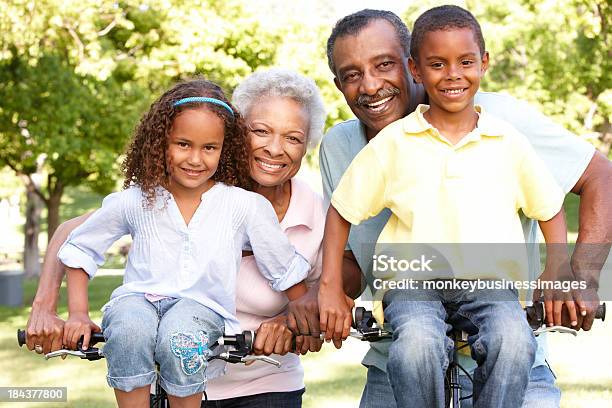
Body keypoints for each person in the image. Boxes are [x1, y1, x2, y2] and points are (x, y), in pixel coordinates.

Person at [310, 8, 611, 408]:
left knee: (509, 339)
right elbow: (347, 241)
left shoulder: (503, 126)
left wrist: (577, 276)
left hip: (503, 330)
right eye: (352, 74)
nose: (370, 85)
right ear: (421, 67)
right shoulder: (343, 146)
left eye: (384, 64)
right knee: (415, 343)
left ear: (407, 64)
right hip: (400, 351)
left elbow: (598, 180)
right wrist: (321, 289)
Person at [25, 69, 327, 408]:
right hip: (163, 379)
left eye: (293, 137)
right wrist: (49, 308)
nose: (275, 148)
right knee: (132, 326)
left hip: (265, 383)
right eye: (261, 131)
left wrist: (301, 318)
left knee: (180, 332)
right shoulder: (155, 195)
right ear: (240, 134)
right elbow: (77, 236)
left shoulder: (298, 208)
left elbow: (319, 283)